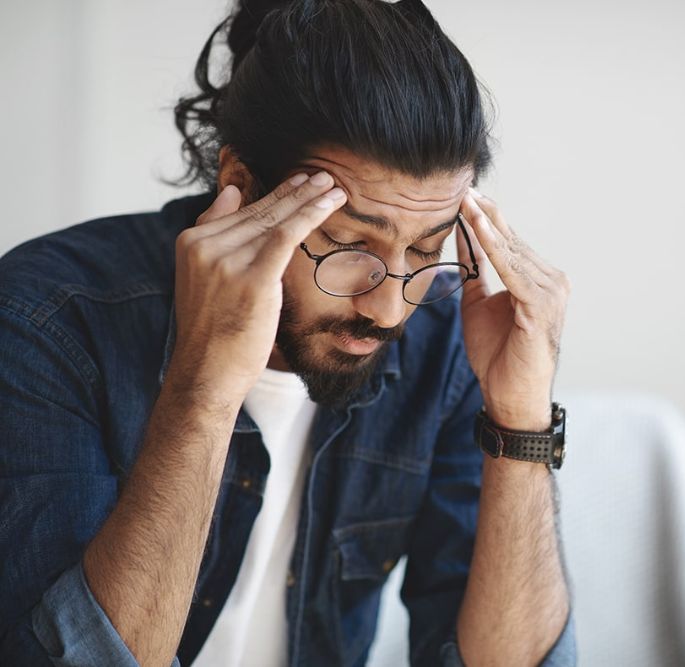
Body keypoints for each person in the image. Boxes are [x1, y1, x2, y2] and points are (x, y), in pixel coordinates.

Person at [0, 0, 574, 664]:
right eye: (349, 243)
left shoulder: (446, 342)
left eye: (426, 248)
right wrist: (205, 387)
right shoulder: (48, 321)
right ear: (241, 186)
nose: (389, 308)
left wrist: (521, 420)